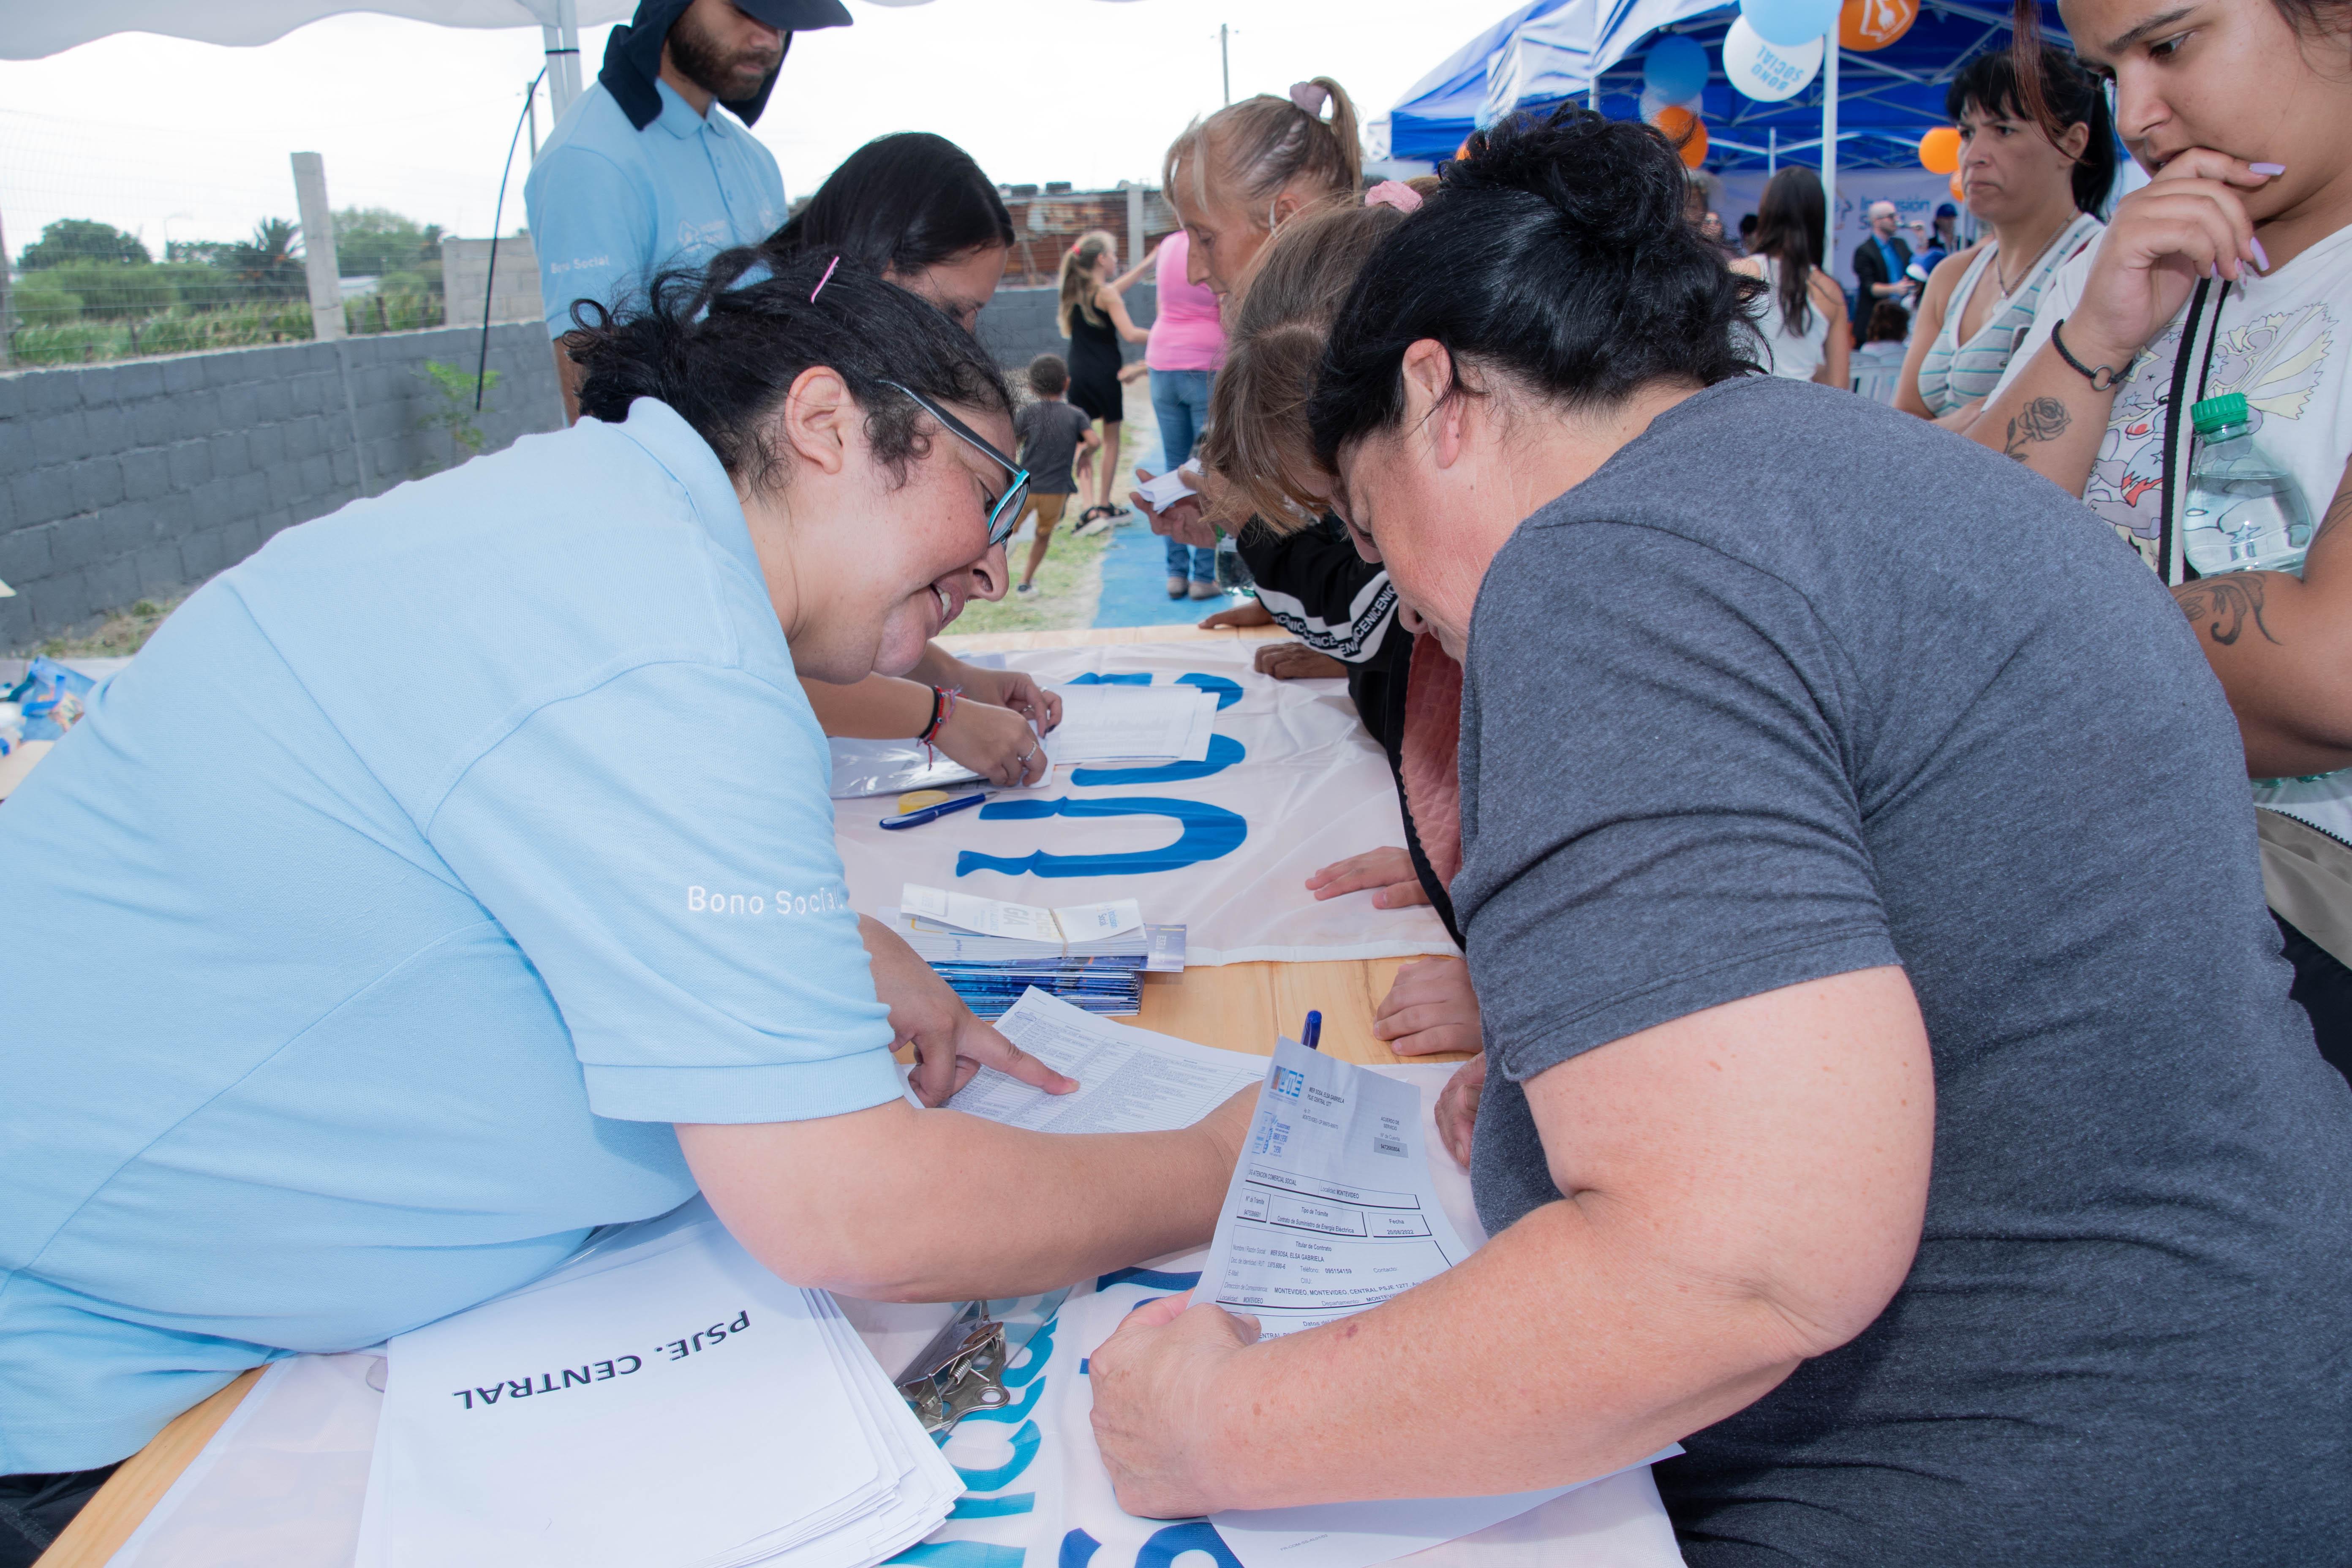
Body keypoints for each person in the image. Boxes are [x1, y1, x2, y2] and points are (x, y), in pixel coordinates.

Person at [1086, 105, 2352, 1563]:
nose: (1404, 599)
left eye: (1371, 523)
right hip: (2229, 1394)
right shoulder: (1843, 472)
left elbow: (1735, 1270)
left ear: (1437, 395)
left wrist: (1217, 1428)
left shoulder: (1602, 564)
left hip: (2009, 1477)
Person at [0, 254, 1253, 1564]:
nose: (995, 567)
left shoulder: (604, 531)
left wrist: (816, 943)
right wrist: (1212, 1167)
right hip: (104, 1422)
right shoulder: (668, 629)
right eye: (987, 497)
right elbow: (850, 1209)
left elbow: (500, 853)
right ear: (825, 425)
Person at [1968, 0, 2352, 1075]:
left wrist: (2025, 628)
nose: (2136, 114)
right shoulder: (2156, 278)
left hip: (2287, 921)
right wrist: (2094, 337)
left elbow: (2330, 673)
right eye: (2107, 69)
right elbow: (1941, 550)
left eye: (2170, 44)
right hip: (2106, 871)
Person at [749, 131, 1061, 786]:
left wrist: (955, 679)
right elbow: (758, 656)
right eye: (952, 312)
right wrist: (942, 716)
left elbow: (848, 603)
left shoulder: (820, 376)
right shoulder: (769, 405)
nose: (958, 342)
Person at [525, 0, 848, 422]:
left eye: (782, 21)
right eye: (744, 10)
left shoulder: (753, 158)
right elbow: (595, 406)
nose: (770, 40)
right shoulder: (591, 160)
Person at [1895, 45, 2110, 427]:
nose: (1974, 154)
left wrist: (1941, 433)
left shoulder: (2096, 265)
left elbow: (2040, 433)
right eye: (1967, 132)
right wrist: (1961, 423)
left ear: (2071, 145)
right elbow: (1899, 425)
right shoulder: (1953, 275)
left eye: (2004, 130)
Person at [1146, 230, 1225, 599]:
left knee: (1172, 470)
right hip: (1207, 360)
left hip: (1163, 360)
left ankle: (1174, 574)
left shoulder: (1168, 245)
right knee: (1208, 470)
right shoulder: (1214, 241)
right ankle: (1203, 577)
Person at [1056, 231, 1153, 526]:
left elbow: (1115, 289)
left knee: (1083, 439)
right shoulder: (1106, 294)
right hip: (1104, 373)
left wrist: (1146, 265)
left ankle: (1089, 509)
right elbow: (1131, 334)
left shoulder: (1075, 290)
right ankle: (1104, 504)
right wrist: (1170, 335)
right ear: (1101, 259)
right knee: (1111, 440)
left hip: (1078, 373)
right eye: (1114, 256)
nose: (1117, 261)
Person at [1729, 167, 1851, 387]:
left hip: (1739, 408)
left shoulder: (1738, 274)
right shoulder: (1829, 291)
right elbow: (1840, 385)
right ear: (1818, 218)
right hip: (1803, 414)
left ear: (1766, 212)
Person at [1012, 354, 1100, 594]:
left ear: (1031, 387)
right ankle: (1025, 582)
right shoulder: (1075, 415)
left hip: (1026, 489)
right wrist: (1084, 456)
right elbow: (1094, 441)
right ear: (1067, 384)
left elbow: (1011, 442)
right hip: (1056, 490)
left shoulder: (1029, 414)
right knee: (1043, 535)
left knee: (1007, 531)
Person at [1851, 198, 1915, 312]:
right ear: (1877, 221)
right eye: (1891, 217)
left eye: (1896, 216)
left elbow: (1916, 266)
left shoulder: (1900, 245)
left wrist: (1921, 240)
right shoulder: (1864, 251)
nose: (1896, 220)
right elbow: (1870, 287)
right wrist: (1895, 289)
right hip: (1876, 316)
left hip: (1900, 313)